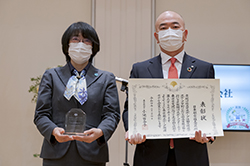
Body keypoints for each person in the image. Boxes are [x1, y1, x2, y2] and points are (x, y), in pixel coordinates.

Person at [122, 11, 215, 166]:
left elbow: (212, 109)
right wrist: (132, 130)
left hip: (191, 155)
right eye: (163, 28)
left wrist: (210, 134)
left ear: (185, 34)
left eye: (175, 26)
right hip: (150, 155)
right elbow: (129, 109)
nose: (169, 32)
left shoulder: (204, 68)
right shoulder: (140, 69)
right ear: (157, 37)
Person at [34, 21, 120, 166]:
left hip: (93, 153)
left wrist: (100, 131)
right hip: (56, 153)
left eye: (87, 40)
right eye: (75, 39)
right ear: (66, 46)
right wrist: (53, 131)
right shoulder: (52, 76)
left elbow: (112, 115)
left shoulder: (106, 78)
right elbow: (41, 114)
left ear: (93, 47)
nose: (81, 44)